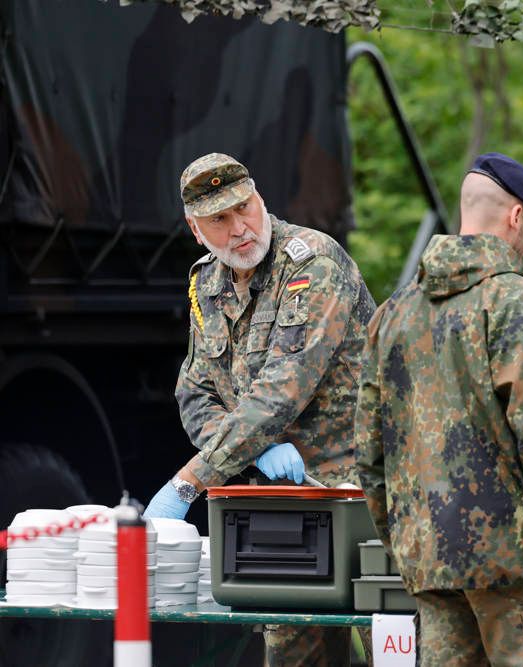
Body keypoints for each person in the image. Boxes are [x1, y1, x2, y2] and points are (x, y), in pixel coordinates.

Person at [356, 152, 523, 666]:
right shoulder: (518, 303)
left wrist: (407, 543)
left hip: (432, 564)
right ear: (516, 216)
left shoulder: (394, 313)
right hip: (522, 570)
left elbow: (368, 452)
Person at [143, 153, 375, 666]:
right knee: (296, 653)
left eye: (244, 208)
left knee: (393, 646)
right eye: (219, 220)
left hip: (360, 495)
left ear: (260, 197)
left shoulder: (312, 263)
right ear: (195, 228)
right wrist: (257, 448)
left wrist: (188, 482)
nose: (240, 229)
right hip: (283, 507)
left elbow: (280, 392)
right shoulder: (208, 282)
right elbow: (194, 391)